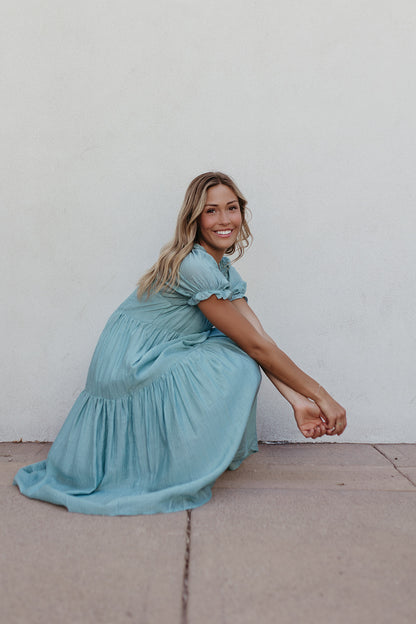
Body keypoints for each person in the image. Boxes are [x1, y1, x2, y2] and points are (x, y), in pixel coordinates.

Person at [14, 172, 346, 516]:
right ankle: (176, 463)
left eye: (231, 208)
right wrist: (321, 396)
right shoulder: (194, 266)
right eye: (211, 211)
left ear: (242, 212)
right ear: (194, 218)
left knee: (238, 346)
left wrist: (298, 400)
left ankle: (181, 455)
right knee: (237, 361)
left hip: (158, 350)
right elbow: (256, 348)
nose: (224, 220)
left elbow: (260, 339)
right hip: (131, 361)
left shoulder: (222, 268)